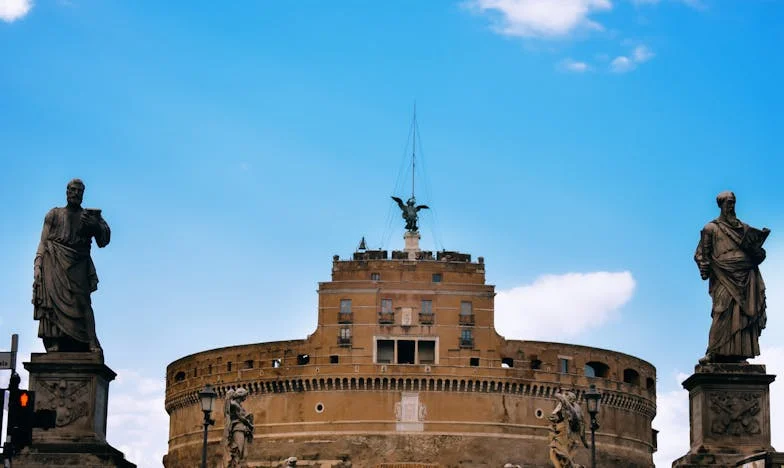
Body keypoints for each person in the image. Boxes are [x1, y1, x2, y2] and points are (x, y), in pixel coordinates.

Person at [32, 179, 110, 353]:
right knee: (52, 301)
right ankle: (55, 340)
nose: (75, 194)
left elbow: (104, 240)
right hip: (53, 260)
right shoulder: (54, 214)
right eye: (72, 190)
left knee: (83, 303)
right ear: (67, 192)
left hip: (79, 263)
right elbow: (43, 242)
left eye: (79, 191)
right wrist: (37, 265)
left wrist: (95, 226)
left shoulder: (90, 216)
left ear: (83, 194)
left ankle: (91, 341)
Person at [694, 191, 769, 364]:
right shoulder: (711, 228)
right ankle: (714, 351)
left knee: (742, 314)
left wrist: (757, 250)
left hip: (746, 275)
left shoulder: (744, 229)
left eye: (733, 202)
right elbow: (701, 254)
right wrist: (703, 265)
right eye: (728, 203)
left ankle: (740, 353)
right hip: (723, 274)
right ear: (720, 205)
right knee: (721, 310)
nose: (731, 206)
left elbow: (759, 255)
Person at [547, 391, 588, 468]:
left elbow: (559, 397)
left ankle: (572, 465)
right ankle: (572, 465)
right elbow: (582, 426)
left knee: (554, 453)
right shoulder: (577, 408)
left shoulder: (569, 406)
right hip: (567, 434)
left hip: (564, 433)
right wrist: (584, 440)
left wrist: (558, 395)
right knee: (555, 454)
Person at [224, 388, 254, 468]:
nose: (245, 398)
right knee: (238, 450)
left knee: (244, 454)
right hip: (237, 429)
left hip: (243, 430)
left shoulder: (239, 406)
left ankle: (239, 465)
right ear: (241, 395)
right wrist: (249, 424)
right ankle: (234, 465)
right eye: (245, 395)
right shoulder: (233, 404)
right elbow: (240, 417)